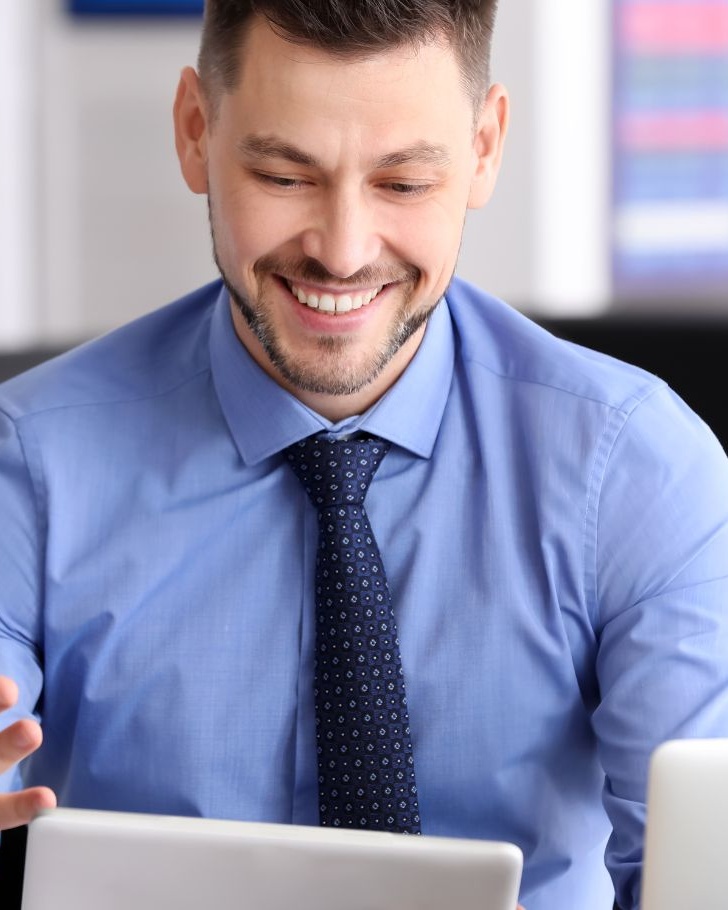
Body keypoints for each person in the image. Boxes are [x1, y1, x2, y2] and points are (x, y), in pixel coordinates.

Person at [1, 1, 728, 907]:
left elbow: (693, 875)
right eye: (283, 175)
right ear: (196, 132)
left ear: (486, 146)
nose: (342, 252)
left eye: (404, 184)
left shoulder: (636, 469)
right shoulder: (27, 467)